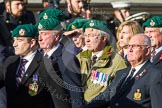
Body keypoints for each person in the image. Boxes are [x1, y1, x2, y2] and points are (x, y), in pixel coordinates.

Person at [4, 24, 71, 108]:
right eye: (14, 40)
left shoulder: (47, 65)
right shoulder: (10, 62)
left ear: (32, 42)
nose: (14, 44)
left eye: (19, 40)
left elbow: (61, 102)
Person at [92, 33, 162, 108]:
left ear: (147, 50)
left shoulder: (155, 75)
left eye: (134, 46)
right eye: (128, 46)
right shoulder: (121, 73)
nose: (130, 50)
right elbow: (105, 96)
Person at [76, 19, 128, 105]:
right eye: (86, 35)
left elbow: (119, 93)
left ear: (104, 38)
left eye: (91, 35)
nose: (87, 40)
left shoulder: (118, 62)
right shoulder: (79, 57)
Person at [37, 18, 84, 108]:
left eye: (44, 34)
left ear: (57, 37)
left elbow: (75, 94)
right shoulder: (39, 57)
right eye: (39, 34)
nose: (40, 39)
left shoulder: (67, 59)